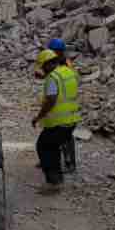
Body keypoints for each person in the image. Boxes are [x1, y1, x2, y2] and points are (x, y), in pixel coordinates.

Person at [32, 46, 80, 190]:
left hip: (59, 122)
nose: (42, 70)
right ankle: (58, 177)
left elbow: (51, 100)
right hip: (71, 120)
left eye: (43, 67)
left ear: (48, 64)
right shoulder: (67, 71)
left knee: (43, 147)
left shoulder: (52, 78)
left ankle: (53, 182)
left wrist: (38, 117)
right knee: (53, 147)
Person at [47, 38, 79, 174]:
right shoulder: (59, 63)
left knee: (65, 136)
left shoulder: (65, 65)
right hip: (59, 103)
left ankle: (70, 163)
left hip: (64, 104)